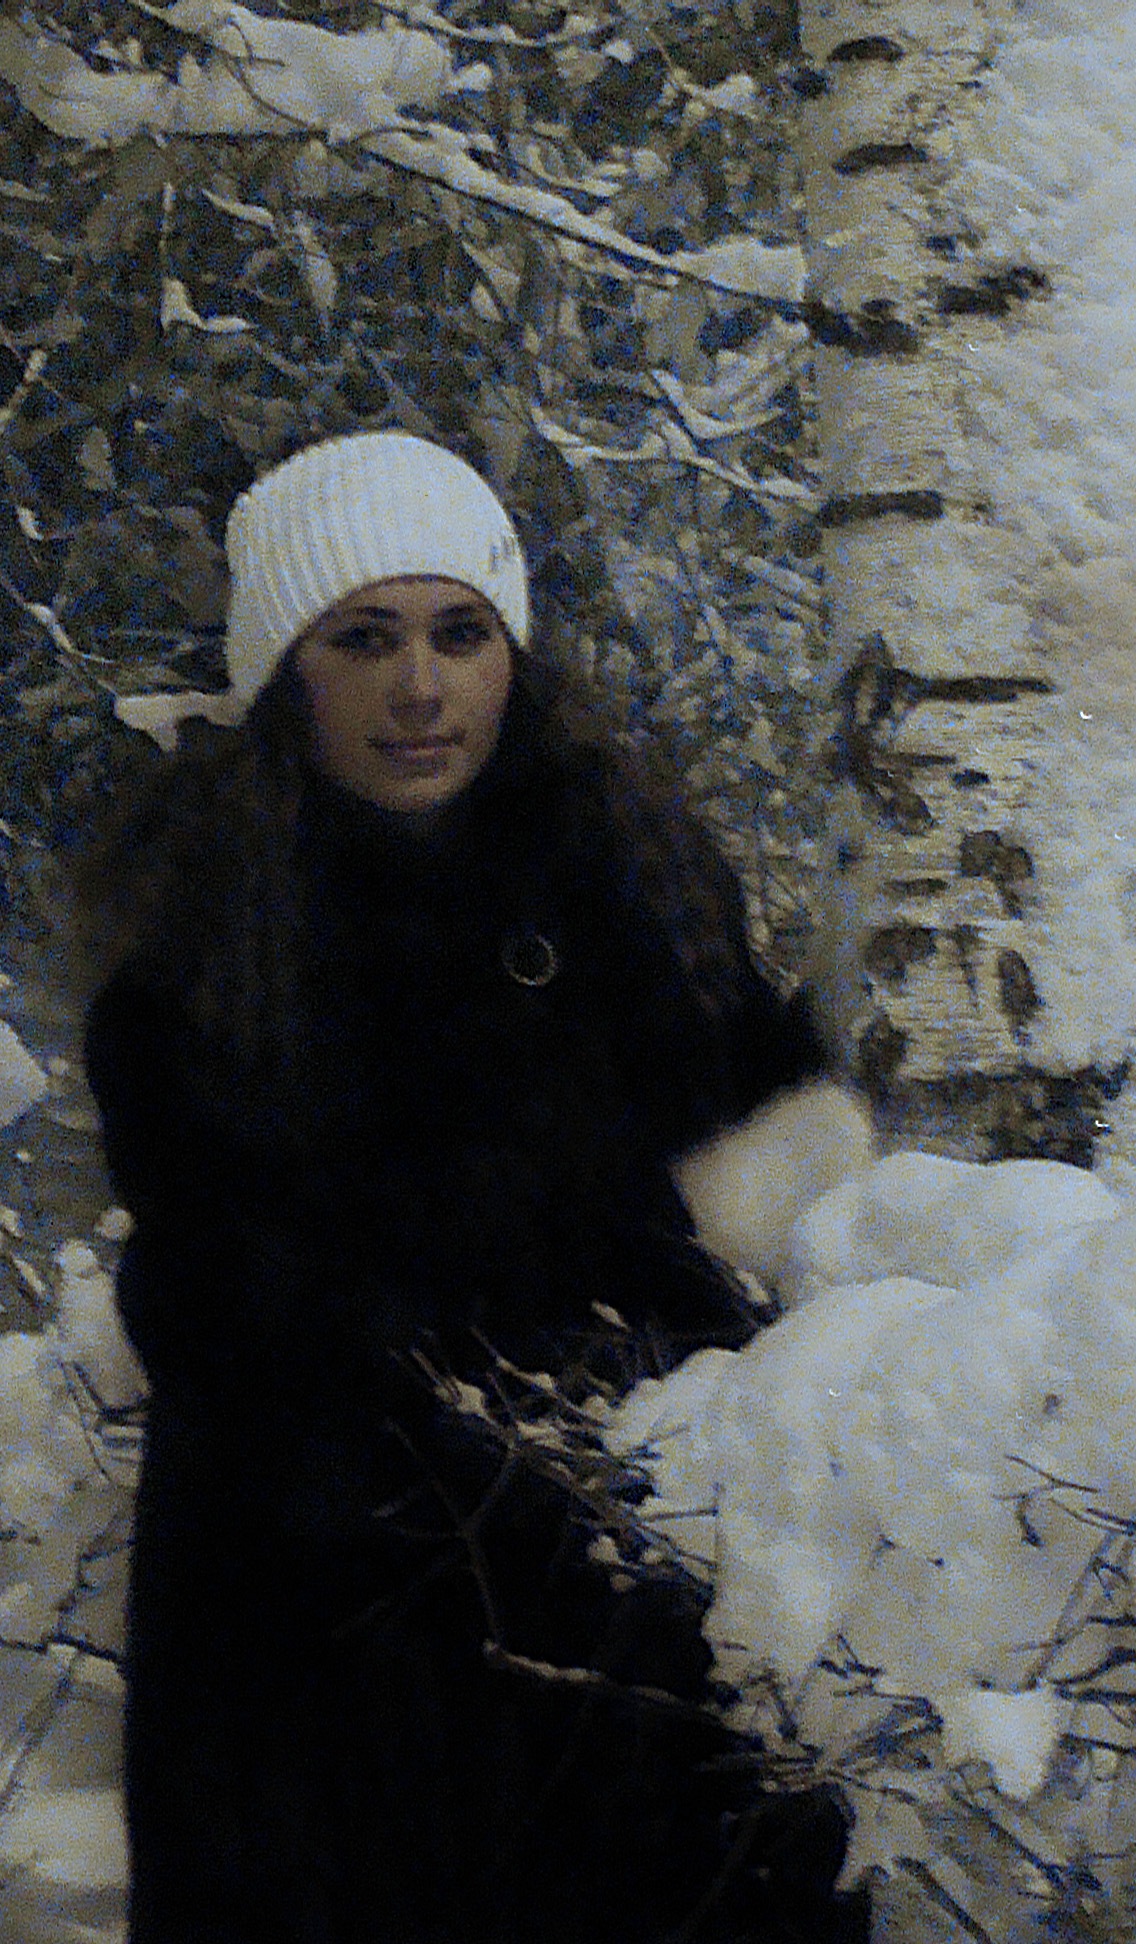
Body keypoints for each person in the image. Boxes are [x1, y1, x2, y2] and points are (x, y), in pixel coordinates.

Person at [76, 431, 871, 1943]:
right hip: (328, 1653)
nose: (420, 687)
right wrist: (628, 1233)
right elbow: (250, 1304)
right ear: (284, 671)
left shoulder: (634, 873)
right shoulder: (204, 950)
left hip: (635, 1625)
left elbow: (766, 1129)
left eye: (460, 632)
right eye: (362, 639)